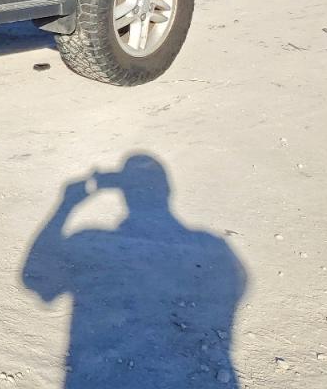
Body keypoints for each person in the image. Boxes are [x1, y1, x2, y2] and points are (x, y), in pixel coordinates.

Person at [22, 154, 246, 388]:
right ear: (168, 190)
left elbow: (36, 281)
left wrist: (65, 205)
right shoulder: (213, 248)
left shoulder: (89, 241)